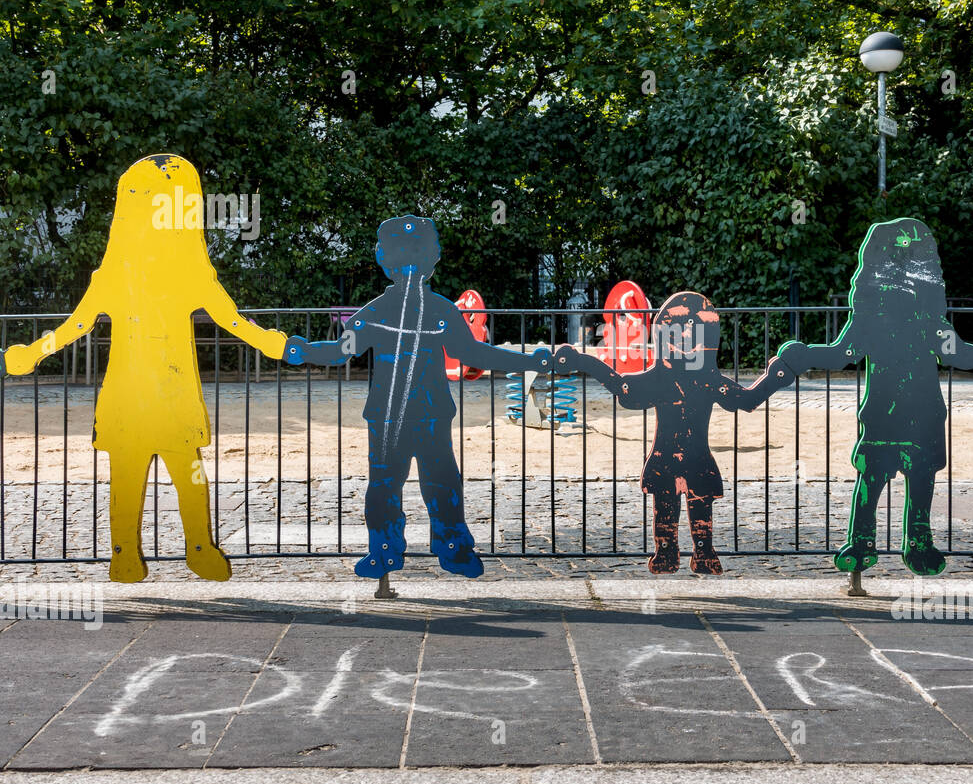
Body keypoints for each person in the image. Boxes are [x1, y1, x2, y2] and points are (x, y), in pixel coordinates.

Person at [0, 154, 289, 582]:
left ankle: (186, 548)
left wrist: (34, 352)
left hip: (151, 392)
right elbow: (77, 323)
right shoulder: (132, 273)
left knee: (170, 474)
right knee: (151, 474)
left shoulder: (169, 272)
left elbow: (228, 318)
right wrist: (35, 352)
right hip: (143, 392)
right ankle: (135, 553)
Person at [284, 214, 551, 579]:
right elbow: (474, 354)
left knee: (387, 485)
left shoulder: (376, 312)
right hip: (426, 414)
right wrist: (526, 361)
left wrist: (300, 350)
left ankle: (386, 551)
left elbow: (338, 351)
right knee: (438, 483)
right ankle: (450, 549)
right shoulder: (440, 310)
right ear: (433, 258)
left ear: (383, 259)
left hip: (392, 416)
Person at [779, 217, 973, 576]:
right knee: (903, 480)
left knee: (881, 480)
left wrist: (806, 354)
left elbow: (843, 354)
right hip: (913, 413)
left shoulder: (881, 318)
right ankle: (906, 543)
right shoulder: (923, 320)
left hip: (892, 414)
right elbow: (959, 354)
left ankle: (870, 542)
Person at [554, 292, 795, 574]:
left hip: (673, 455)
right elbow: (747, 399)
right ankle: (682, 553)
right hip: (687, 455)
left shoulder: (681, 378)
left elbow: (622, 388)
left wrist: (583, 362)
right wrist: (776, 377)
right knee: (677, 506)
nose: (684, 341)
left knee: (682, 505)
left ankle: (691, 552)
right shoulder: (701, 379)